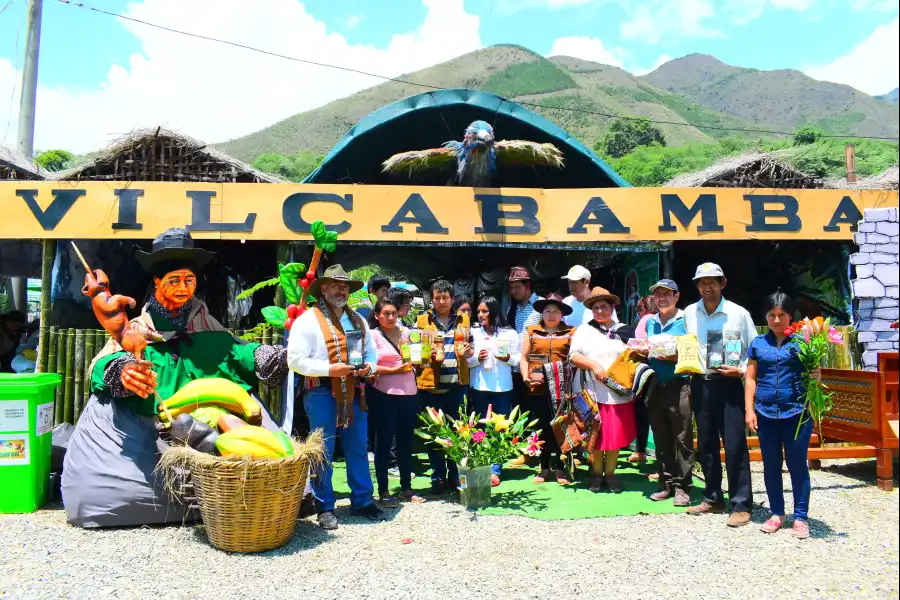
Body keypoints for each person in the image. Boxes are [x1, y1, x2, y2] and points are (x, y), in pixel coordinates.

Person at [62, 228, 288, 528]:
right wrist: (122, 372)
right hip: (153, 431)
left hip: (211, 421)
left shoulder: (206, 325)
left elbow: (236, 350)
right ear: (157, 281)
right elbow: (103, 366)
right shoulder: (138, 329)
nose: (183, 287)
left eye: (189, 280)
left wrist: (265, 357)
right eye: (174, 280)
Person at [287, 264, 386, 530]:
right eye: (335, 285)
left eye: (345, 286)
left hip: (354, 389)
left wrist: (369, 367)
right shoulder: (306, 320)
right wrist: (330, 369)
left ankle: (363, 500)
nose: (342, 290)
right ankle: (325, 506)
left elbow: (371, 354)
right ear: (323, 289)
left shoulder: (358, 319)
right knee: (324, 450)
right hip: (320, 390)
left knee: (357, 446)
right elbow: (295, 360)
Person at [684, 262, 758, 528]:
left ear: (723, 284)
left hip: (729, 386)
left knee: (735, 444)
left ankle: (741, 503)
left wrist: (739, 370)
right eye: (702, 283)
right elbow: (686, 346)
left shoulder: (738, 314)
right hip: (700, 384)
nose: (707, 287)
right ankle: (713, 497)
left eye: (712, 282)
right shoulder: (690, 313)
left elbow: (754, 350)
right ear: (697, 286)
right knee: (705, 444)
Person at [745, 292, 818, 539]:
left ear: (790, 316)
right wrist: (749, 409)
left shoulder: (804, 342)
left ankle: (800, 517)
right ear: (765, 317)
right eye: (771, 315)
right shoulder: (758, 343)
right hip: (765, 413)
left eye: (781, 315)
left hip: (796, 412)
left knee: (797, 465)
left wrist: (817, 376)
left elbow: (814, 376)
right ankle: (777, 513)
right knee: (771, 466)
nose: (776, 320)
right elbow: (751, 378)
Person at [569, 287, 635, 493]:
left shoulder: (624, 330)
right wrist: (593, 365)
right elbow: (573, 356)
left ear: (612, 308)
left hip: (617, 393)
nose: (599, 311)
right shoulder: (584, 330)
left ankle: (611, 474)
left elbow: (635, 355)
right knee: (595, 435)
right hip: (592, 391)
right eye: (595, 308)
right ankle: (596, 474)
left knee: (614, 436)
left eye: (603, 307)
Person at [416, 279, 471, 496]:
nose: (441, 301)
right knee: (435, 434)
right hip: (431, 387)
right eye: (437, 297)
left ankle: (455, 475)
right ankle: (438, 476)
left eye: (445, 297)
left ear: (452, 299)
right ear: (432, 299)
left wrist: (468, 349)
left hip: (457, 387)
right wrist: (423, 354)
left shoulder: (463, 320)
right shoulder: (421, 321)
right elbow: (411, 350)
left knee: (458, 434)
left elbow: (470, 345)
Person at [368, 297, 425, 506]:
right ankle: (383, 490)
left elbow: (417, 359)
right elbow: (368, 365)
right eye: (385, 313)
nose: (390, 317)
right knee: (383, 442)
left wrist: (422, 358)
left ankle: (406, 488)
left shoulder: (407, 333)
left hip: (409, 392)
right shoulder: (372, 336)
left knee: (405, 442)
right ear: (377, 315)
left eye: (393, 313)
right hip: (384, 393)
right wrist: (393, 369)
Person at [645, 279, 693, 507]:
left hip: (680, 384)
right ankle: (666, 484)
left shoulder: (686, 320)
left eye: (667, 294)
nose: (661, 298)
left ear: (677, 296)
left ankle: (683, 488)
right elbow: (647, 352)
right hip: (655, 385)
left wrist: (664, 354)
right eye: (657, 294)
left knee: (682, 438)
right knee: (661, 437)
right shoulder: (650, 323)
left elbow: (692, 354)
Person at [520, 293, 576, 485]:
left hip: (563, 390)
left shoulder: (571, 332)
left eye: (556, 312)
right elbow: (524, 358)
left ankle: (561, 468)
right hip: (538, 388)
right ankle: (543, 467)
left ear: (562, 315)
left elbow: (574, 359)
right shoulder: (532, 331)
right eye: (547, 311)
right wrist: (526, 377)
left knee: (561, 427)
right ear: (541, 314)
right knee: (541, 428)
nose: (551, 315)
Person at [467, 296, 521, 486]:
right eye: (479, 311)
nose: (481, 315)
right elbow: (466, 361)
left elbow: (519, 358)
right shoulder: (473, 333)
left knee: (499, 428)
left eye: (485, 311)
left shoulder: (509, 334)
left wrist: (508, 358)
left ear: (494, 312)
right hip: (480, 385)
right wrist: (476, 359)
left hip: (502, 387)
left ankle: (496, 469)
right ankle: (481, 465)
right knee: (480, 426)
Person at [506, 266, 542, 467]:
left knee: (536, 411)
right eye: (511, 287)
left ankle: (536, 452)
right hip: (515, 367)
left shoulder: (539, 305)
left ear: (527, 286)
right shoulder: (514, 307)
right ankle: (524, 452)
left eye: (517, 287)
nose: (513, 291)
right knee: (520, 411)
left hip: (534, 367)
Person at [627, 294, 657, 464]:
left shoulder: (646, 320)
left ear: (644, 309)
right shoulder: (659, 320)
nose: (638, 313)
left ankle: (640, 451)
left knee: (643, 412)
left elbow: (637, 345)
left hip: (645, 373)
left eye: (639, 309)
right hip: (658, 372)